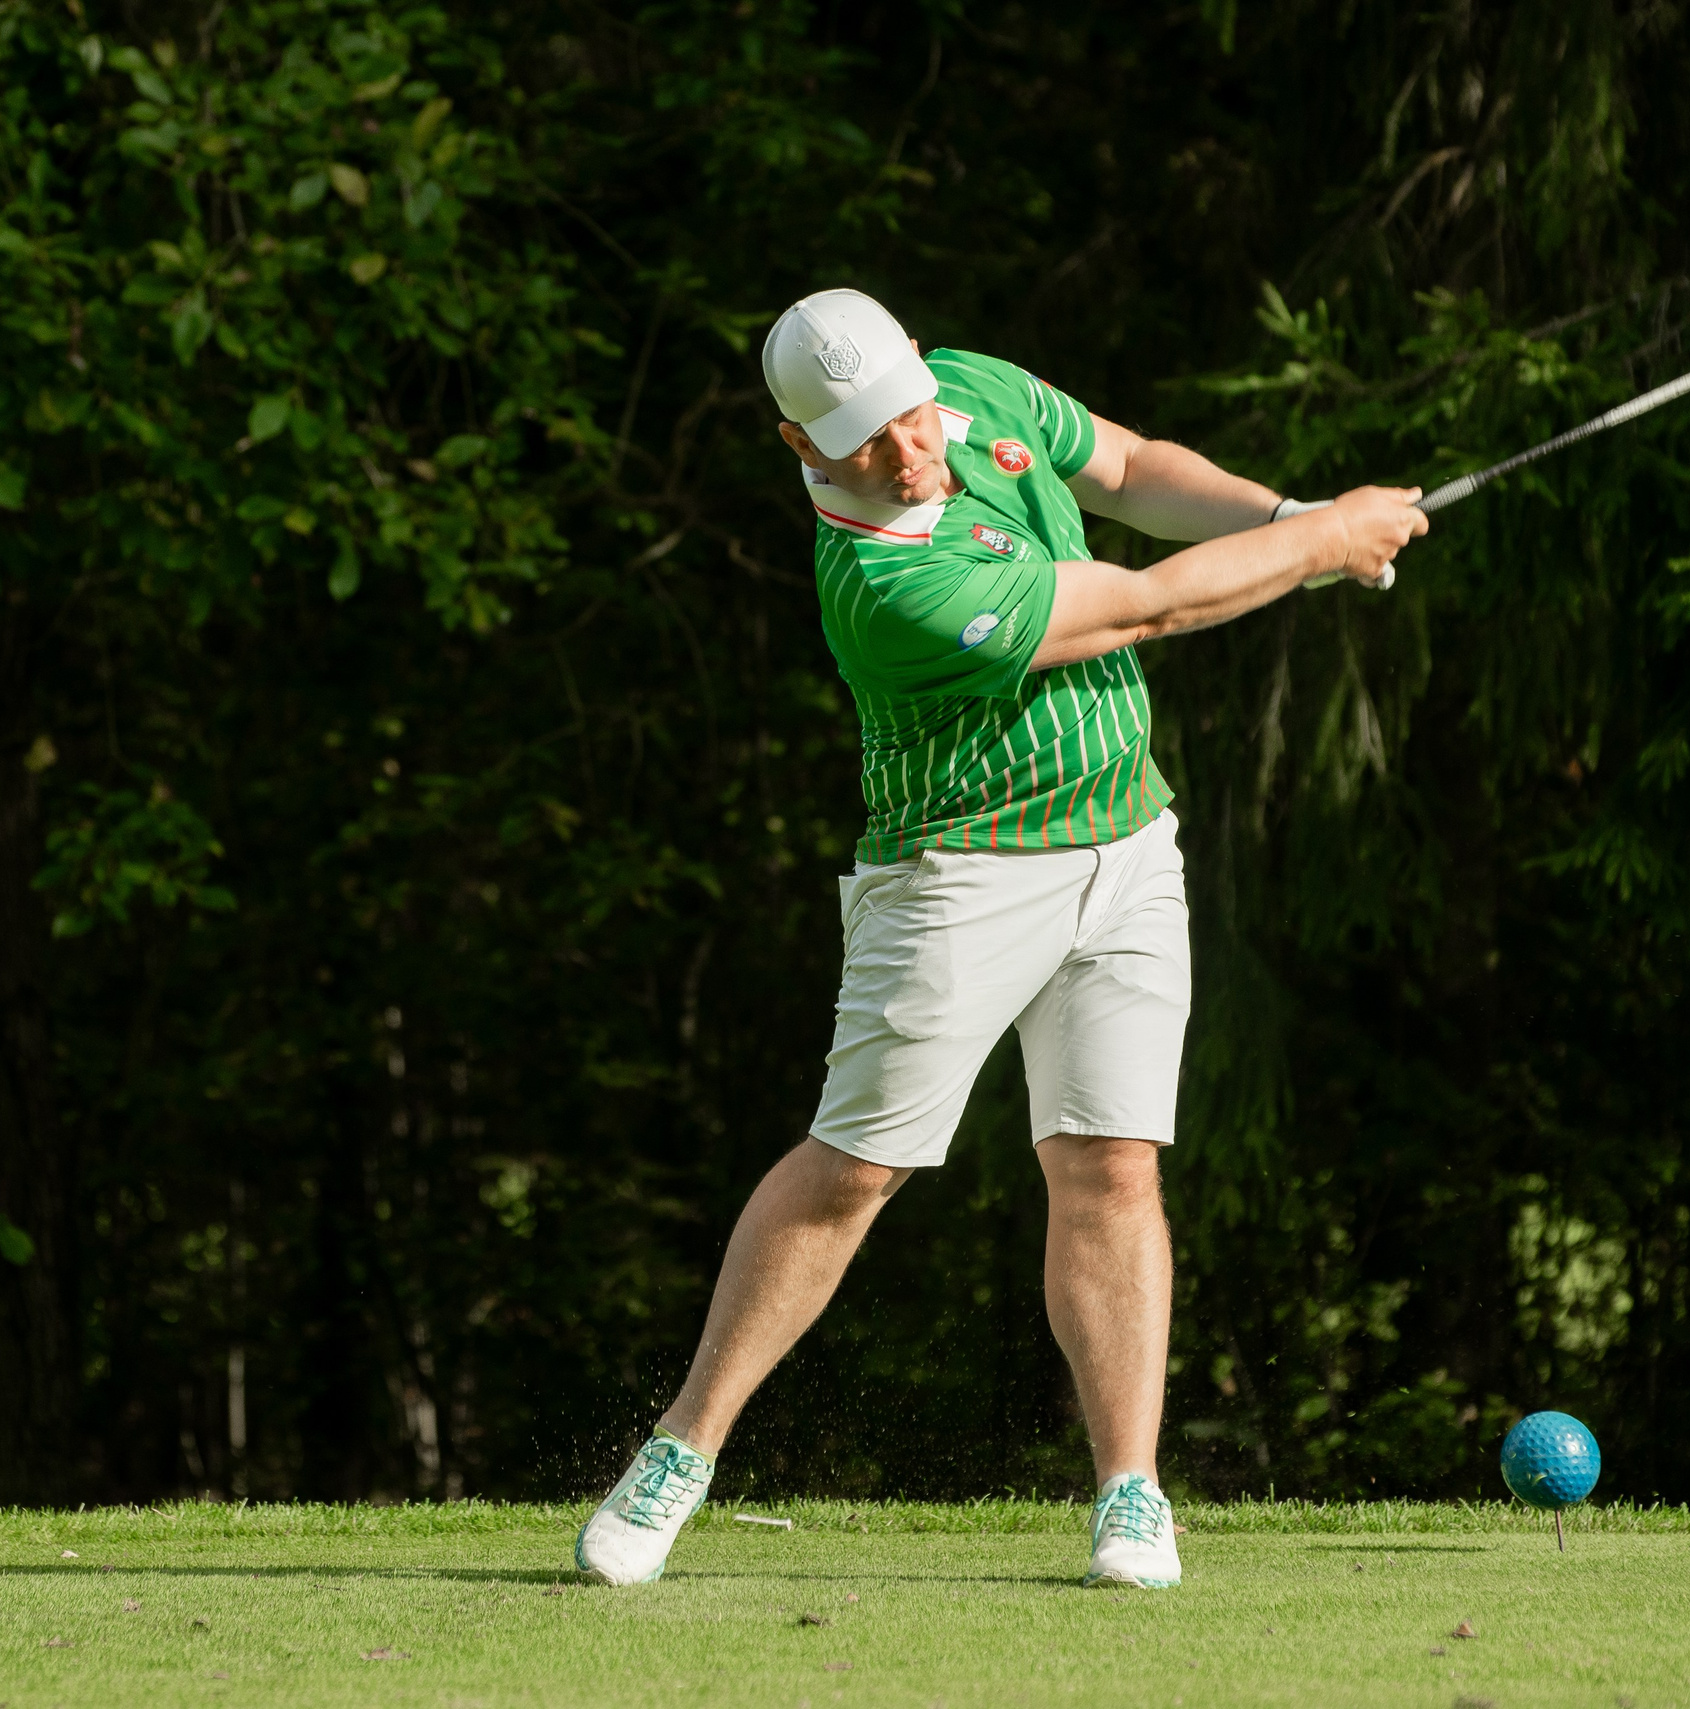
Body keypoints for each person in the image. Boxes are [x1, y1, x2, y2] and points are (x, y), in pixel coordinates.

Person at [575, 288, 1426, 1590]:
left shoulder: (970, 390)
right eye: (867, 438)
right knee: (859, 1164)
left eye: (914, 412)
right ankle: (684, 1446)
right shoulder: (887, 586)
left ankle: (1131, 1490)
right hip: (959, 877)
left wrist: (1281, 518)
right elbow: (1146, 606)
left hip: (1129, 848)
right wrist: (1319, 541)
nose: (914, 450)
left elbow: (1133, 471)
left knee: (1111, 1162)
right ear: (802, 447)